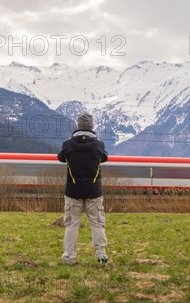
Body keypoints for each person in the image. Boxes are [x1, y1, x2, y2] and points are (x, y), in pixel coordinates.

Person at [57, 112, 109, 265]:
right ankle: (101, 257)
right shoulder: (99, 144)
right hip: (94, 192)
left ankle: (69, 258)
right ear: (91, 126)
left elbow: (60, 158)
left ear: (78, 126)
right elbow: (105, 157)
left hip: (73, 192)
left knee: (71, 226)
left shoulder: (68, 144)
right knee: (97, 225)